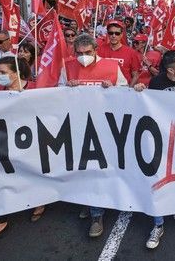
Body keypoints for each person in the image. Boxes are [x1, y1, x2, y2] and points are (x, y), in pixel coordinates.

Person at [133, 50, 175, 250]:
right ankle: (158, 224)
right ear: (171, 70)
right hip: (161, 138)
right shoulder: (157, 82)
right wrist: (139, 91)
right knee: (157, 178)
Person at [63, 33, 127, 237]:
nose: (83, 57)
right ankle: (91, 204)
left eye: (88, 52)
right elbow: (56, 94)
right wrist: (66, 88)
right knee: (84, 169)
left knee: (99, 169)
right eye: (79, 53)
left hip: (105, 127)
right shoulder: (68, 66)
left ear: (95, 50)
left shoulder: (111, 66)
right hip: (78, 125)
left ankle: (96, 213)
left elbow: (126, 93)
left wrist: (114, 88)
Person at [0, 56, 40, 245]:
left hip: (32, 141)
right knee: (1, 178)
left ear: (17, 73)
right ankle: (1, 219)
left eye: (3, 73)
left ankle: (39, 201)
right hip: (3, 143)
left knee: (32, 172)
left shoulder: (38, 89)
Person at [97, 20, 140, 86]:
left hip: (123, 91)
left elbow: (136, 75)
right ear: (107, 34)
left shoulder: (131, 52)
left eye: (117, 33)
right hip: (103, 90)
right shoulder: (99, 50)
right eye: (111, 33)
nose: (113, 36)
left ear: (121, 34)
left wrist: (129, 90)